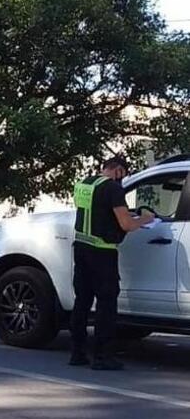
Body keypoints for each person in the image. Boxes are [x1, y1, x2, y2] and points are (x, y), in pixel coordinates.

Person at [70, 155, 154, 370]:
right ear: (118, 170)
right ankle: (102, 357)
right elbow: (126, 224)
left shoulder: (84, 184)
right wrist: (145, 219)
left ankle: (77, 353)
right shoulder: (113, 189)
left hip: (81, 248)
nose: (122, 180)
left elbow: (97, 211)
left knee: (82, 301)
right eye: (122, 175)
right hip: (102, 252)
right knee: (106, 305)